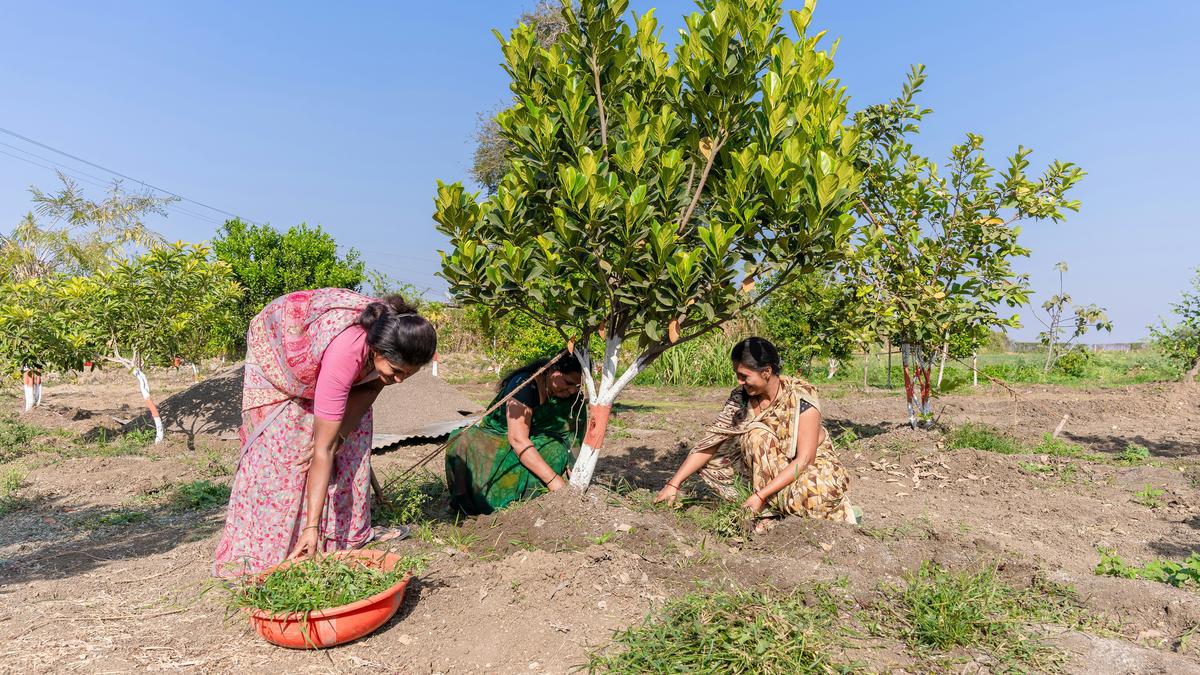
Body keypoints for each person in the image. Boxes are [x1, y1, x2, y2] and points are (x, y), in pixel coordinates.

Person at [213, 288, 436, 577]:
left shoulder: (392, 339)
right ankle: (265, 552)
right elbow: (323, 451)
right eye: (396, 371)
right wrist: (311, 526)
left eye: (407, 374)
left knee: (353, 435)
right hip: (280, 352)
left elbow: (371, 386)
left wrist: (342, 434)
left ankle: (345, 535)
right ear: (378, 351)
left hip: (332, 356)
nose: (399, 381)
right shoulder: (345, 354)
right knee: (289, 449)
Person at [655, 337, 856, 531]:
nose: (739, 381)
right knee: (756, 435)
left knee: (817, 495)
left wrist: (761, 496)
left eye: (744, 376)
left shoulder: (800, 397)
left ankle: (771, 507)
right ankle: (772, 510)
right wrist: (674, 483)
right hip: (765, 473)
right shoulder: (740, 399)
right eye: (737, 375)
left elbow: (805, 459)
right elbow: (711, 442)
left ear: (767, 371)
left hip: (807, 468)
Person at [445, 356, 586, 515]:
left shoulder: (572, 399)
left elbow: (573, 438)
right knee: (462, 439)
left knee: (555, 450)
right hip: (497, 437)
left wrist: (576, 475)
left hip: (534, 441)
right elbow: (517, 439)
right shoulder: (524, 385)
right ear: (552, 370)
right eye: (568, 382)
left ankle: (522, 496)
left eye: (577, 385)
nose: (572, 390)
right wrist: (553, 481)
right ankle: (478, 501)